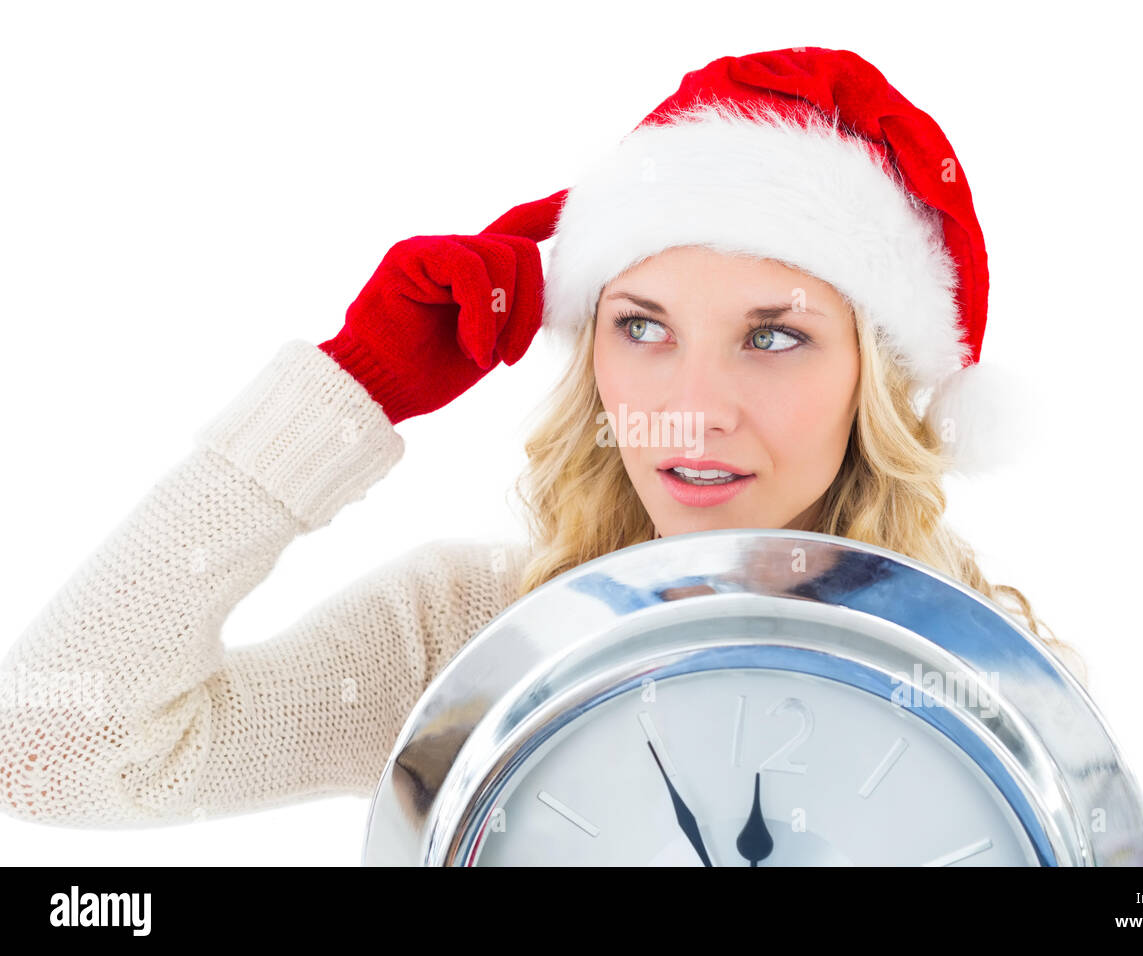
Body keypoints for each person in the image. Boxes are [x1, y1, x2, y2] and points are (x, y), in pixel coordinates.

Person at [0, 46, 1085, 830]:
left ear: (880, 380)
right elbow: (52, 753)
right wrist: (350, 388)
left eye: (773, 334)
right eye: (642, 326)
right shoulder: (462, 636)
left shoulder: (988, 683)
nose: (695, 405)